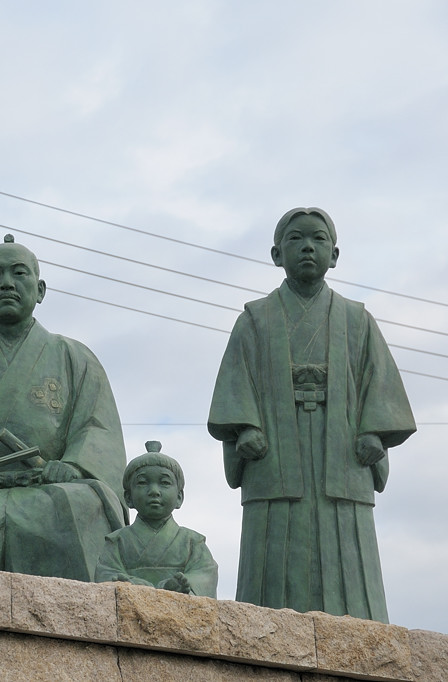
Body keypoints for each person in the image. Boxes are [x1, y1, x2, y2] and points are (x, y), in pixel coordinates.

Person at [208, 207, 415, 622]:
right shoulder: (255, 319)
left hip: (343, 450)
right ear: (275, 253)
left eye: (318, 239)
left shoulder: (357, 320)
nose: (307, 247)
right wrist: (245, 427)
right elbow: (237, 381)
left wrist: (375, 433)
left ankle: (360, 636)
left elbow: (380, 386)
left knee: (347, 551)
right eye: (295, 239)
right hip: (273, 454)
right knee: (274, 550)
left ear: (334, 255)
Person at [0, 235, 127, 581]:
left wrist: (74, 465)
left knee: (81, 504)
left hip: (48, 486)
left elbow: (97, 426)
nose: (7, 284)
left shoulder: (74, 356)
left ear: (40, 290)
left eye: (19, 273)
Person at [95, 442, 218, 597]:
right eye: (142, 483)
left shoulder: (192, 541)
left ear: (179, 497)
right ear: (128, 498)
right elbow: (106, 575)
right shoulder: (117, 542)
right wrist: (129, 583)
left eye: (164, 483)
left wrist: (181, 585)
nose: (154, 491)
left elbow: (205, 575)